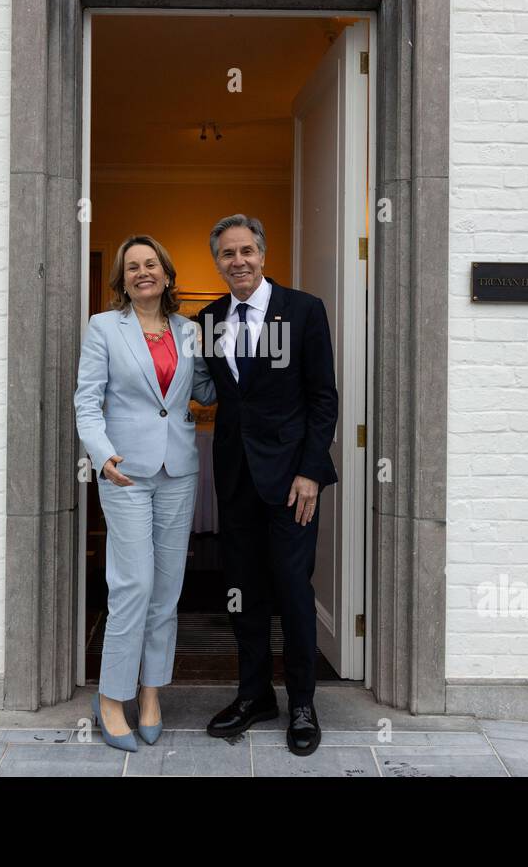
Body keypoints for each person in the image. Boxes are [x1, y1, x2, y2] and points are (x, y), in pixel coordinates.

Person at [197, 213, 339, 756]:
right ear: (218, 262)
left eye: (246, 251)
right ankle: (254, 694)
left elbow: (322, 399)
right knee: (242, 593)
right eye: (228, 254)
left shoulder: (303, 311)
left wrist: (309, 471)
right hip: (235, 480)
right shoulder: (208, 319)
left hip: (291, 482)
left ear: (263, 253)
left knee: (292, 591)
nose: (238, 261)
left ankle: (302, 702)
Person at [73, 234, 215, 753]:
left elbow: (204, 390)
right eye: (131, 266)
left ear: (166, 273)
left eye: (150, 263)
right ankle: (112, 699)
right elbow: (87, 401)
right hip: (125, 472)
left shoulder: (189, 330)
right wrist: (101, 454)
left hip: (178, 469)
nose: (142, 272)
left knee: (166, 589)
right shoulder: (104, 328)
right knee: (132, 584)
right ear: (122, 279)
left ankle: (151, 694)